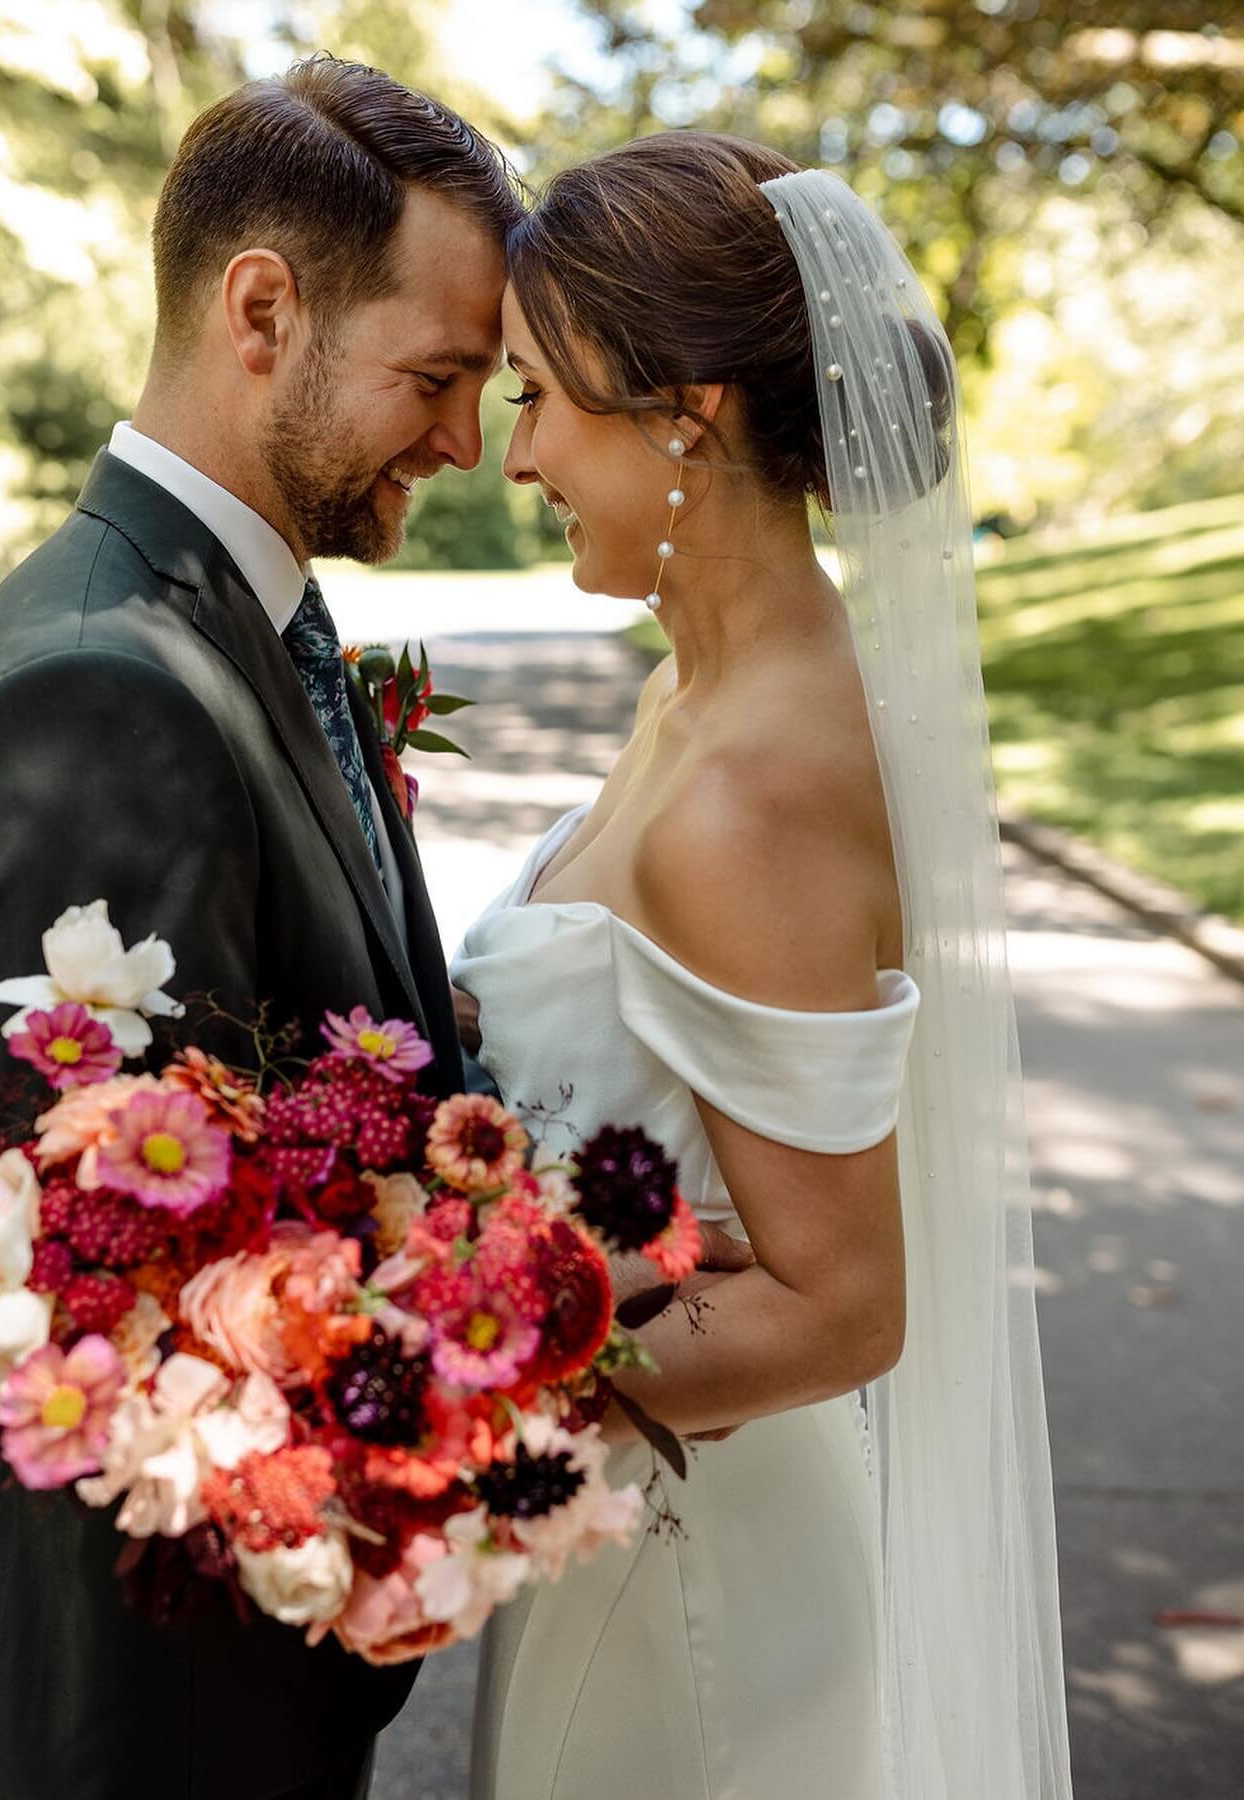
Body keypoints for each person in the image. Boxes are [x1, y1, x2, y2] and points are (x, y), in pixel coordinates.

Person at [0, 56, 516, 1800]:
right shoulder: (99, 692)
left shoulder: (243, 622)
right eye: (439, 375)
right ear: (262, 309)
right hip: (149, 1689)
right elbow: (143, 1279)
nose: (466, 444)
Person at [452, 132, 1073, 1799]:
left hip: (698, 1572)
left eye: (536, 397)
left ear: (686, 409)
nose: (516, 459)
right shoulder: (689, 699)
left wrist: (435, 1363)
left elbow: (845, 1302)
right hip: (623, 1516)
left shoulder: (754, 790)